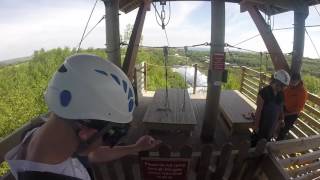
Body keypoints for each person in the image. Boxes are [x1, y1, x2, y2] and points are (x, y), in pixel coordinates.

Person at [5, 54, 161, 180]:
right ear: (86, 131)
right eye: (111, 135)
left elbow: (92, 153)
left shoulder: (42, 136)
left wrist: (136, 147)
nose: (106, 142)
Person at [251, 69, 290, 146]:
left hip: (272, 124)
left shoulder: (281, 94)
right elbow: (259, 111)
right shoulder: (264, 93)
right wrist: (256, 127)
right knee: (257, 142)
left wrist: (282, 118)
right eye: (282, 86)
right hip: (262, 122)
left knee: (267, 142)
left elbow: (280, 107)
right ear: (276, 82)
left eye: (284, 87)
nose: (283, 89)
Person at [277, 73, 308, 140]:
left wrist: (285, 114)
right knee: (275, 124)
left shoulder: (302, 92)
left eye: (294, 82)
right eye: (291, 81)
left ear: (299, 81)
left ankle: (278, 143)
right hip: (283, 108)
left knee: (284, 130)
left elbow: (298, 110)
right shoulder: (288, 86)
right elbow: (282, 97)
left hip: (292, 114)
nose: (292, 83)